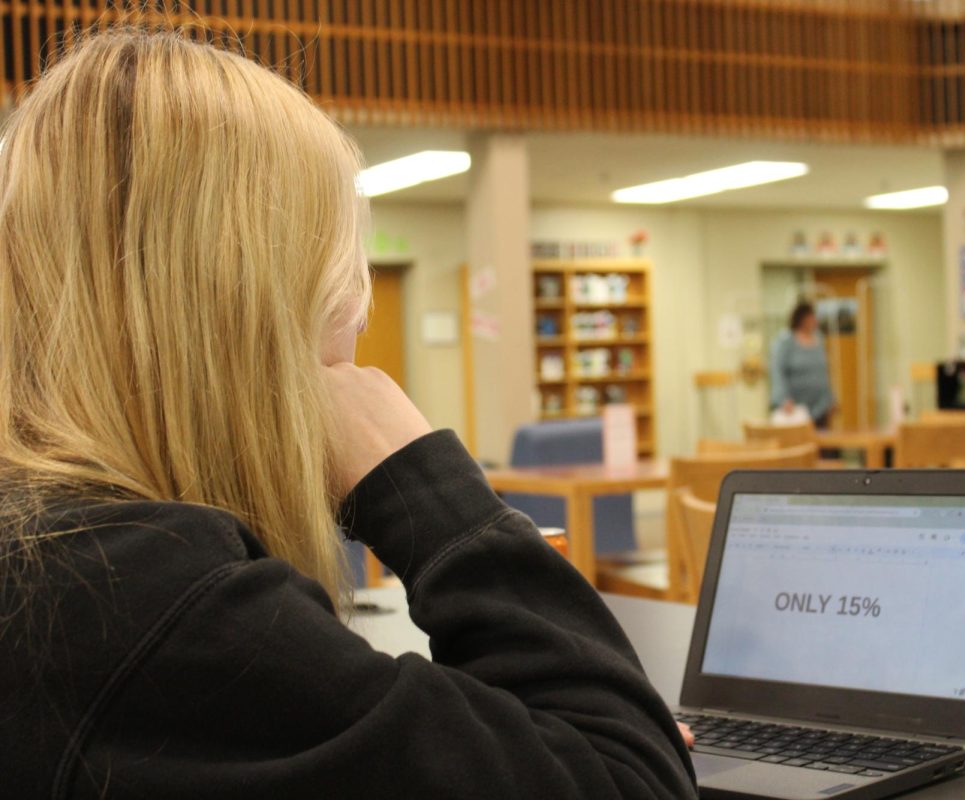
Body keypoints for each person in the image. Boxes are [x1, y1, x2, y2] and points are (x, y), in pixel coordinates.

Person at [0, 28, 695, 798]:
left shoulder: (59, 555)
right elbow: (628, 780)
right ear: (242, 307)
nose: (359, 325)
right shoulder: (149, 600)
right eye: (336, 281)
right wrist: (425, 486)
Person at [769, 300, 836, 428]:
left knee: (823, 444)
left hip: (820, 405)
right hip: (795, 408)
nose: (814, 320)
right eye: (811, 316)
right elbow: (777, 371)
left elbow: (824, 372)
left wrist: (831, 398)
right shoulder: (786, 341)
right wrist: (783, 398)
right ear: (802, 319)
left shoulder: (819, 339)